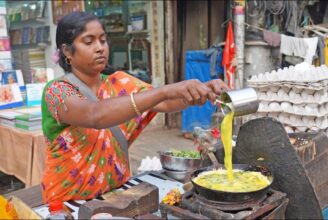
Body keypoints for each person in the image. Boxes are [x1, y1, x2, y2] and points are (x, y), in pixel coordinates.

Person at [41, 11, 229, 203]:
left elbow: (163, 103)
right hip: (68, 204)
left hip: (116, 197)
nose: (100, 48)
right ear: (66, 51)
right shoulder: (56, 92)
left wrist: (201, 91)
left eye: (103, 40)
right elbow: (94, 115)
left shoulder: (119, 82)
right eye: (89, 42)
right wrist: (165, 90)